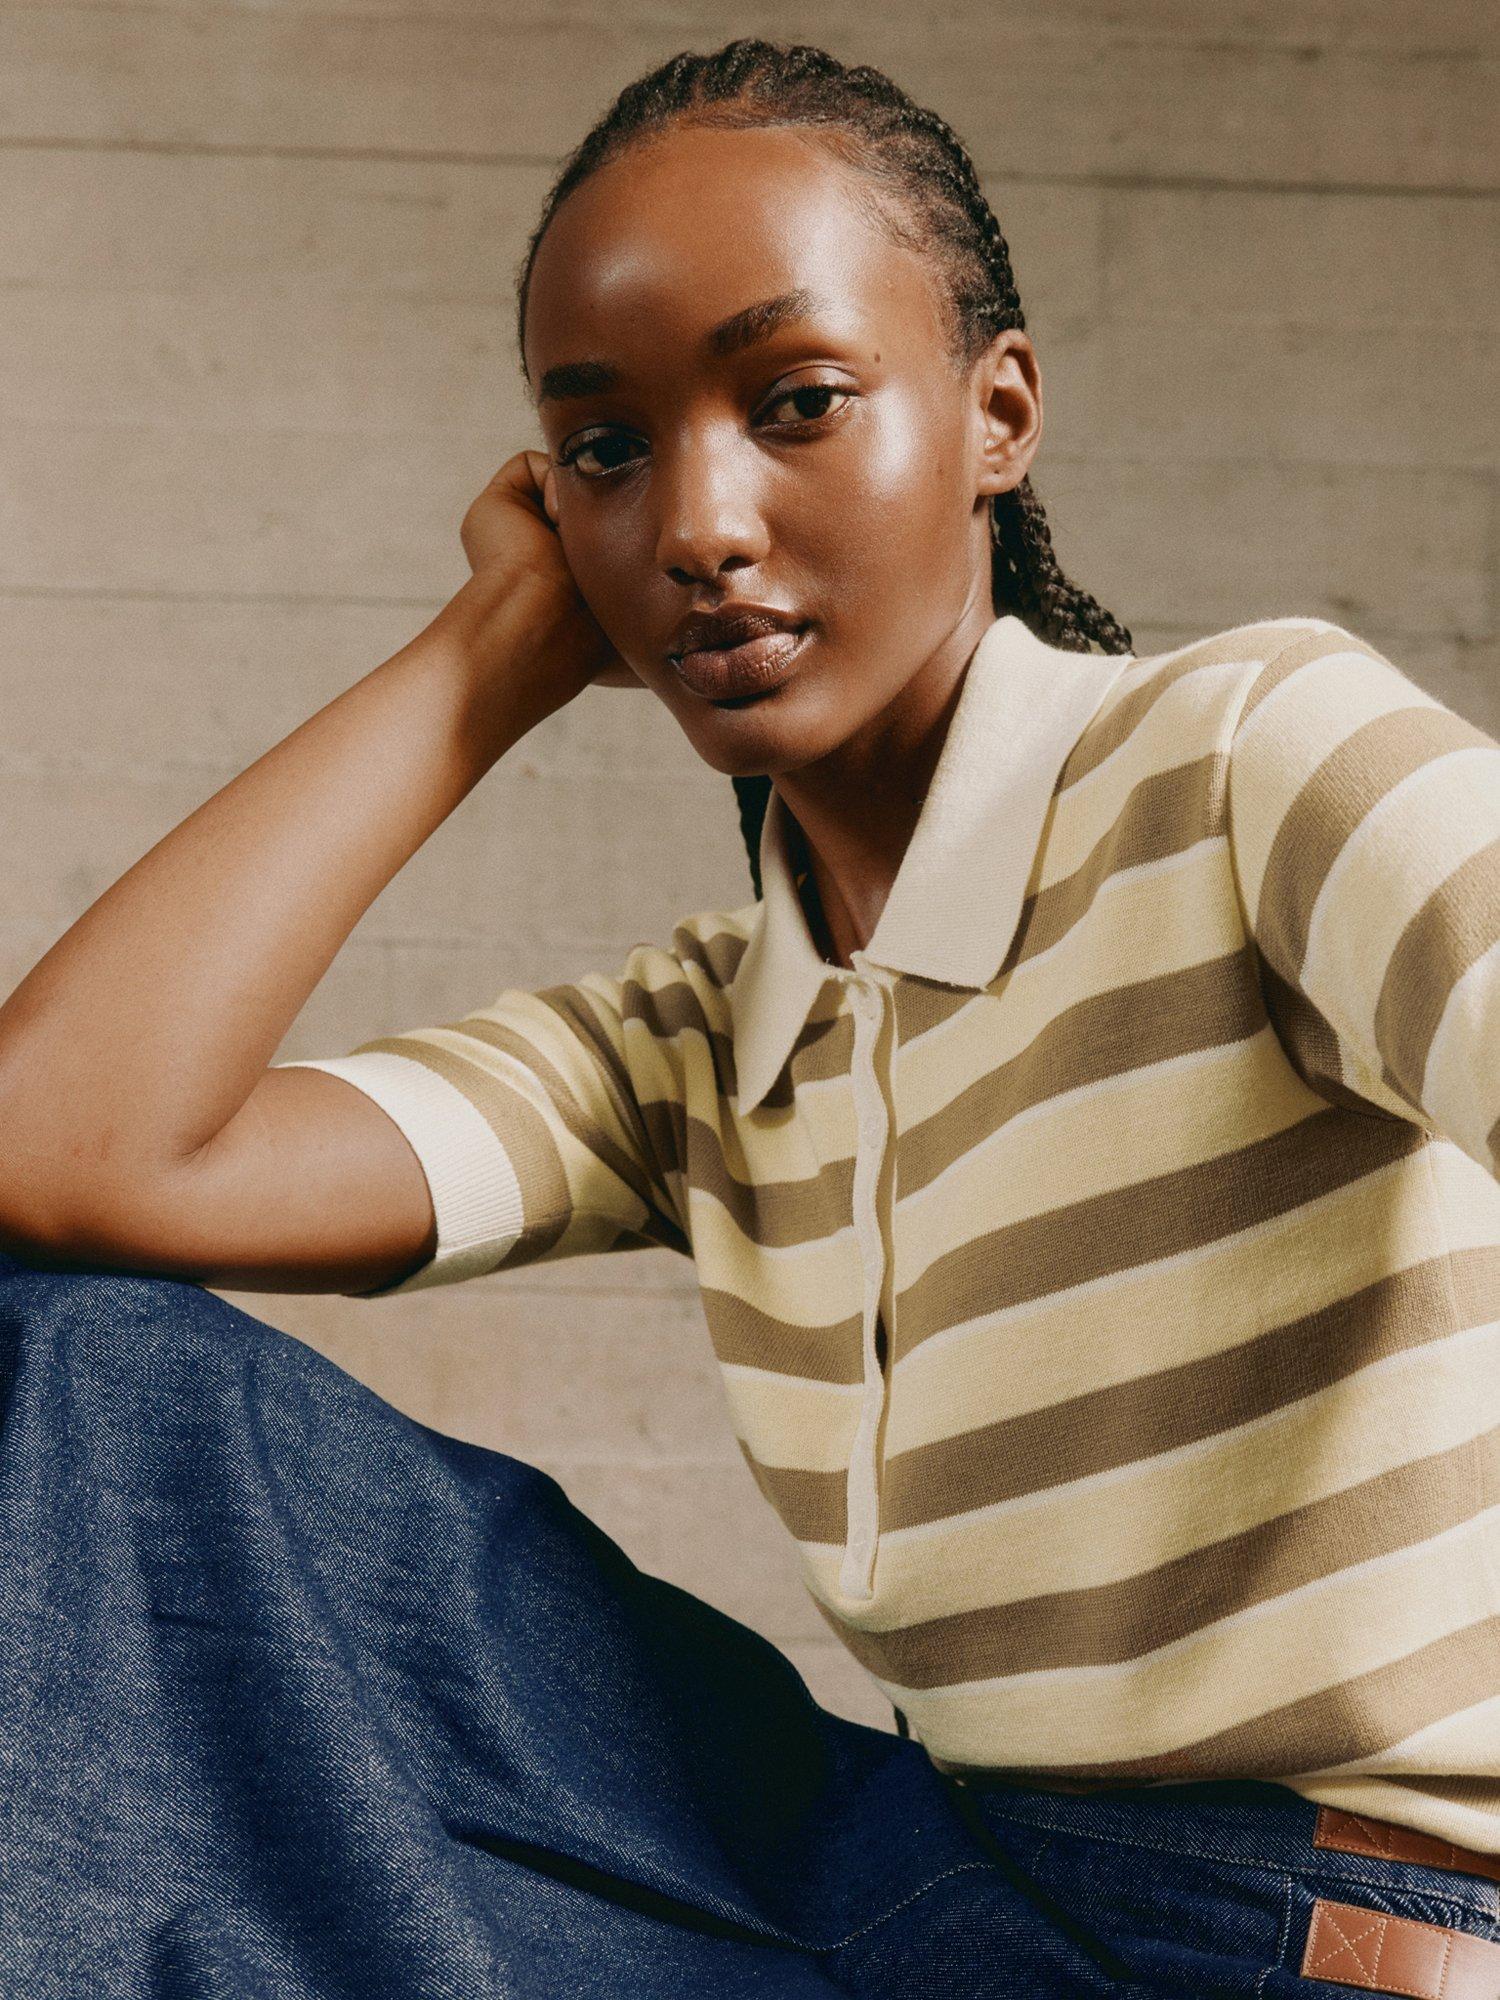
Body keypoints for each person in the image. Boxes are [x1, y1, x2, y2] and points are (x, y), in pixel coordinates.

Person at [0, 34, 1495, 2000]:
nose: (697, 523)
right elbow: (61, 1147)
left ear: (998, 413)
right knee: (74, 1372)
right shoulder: (705, 1041)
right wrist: (487, 652)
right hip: (937, 1901)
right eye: (607, 449)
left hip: (1298, 1937)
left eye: (796, 403)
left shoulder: (1245, 765)